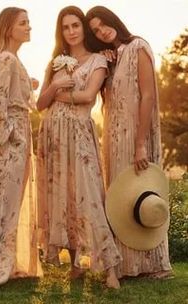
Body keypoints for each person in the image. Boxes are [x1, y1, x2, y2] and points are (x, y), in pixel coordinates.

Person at [36, 6, 122, 289]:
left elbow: (87, 97)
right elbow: (39, 105)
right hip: (53, 135)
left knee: (90, 196)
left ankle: (110, 267)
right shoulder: (55, 62)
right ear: (60, 32)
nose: (71, 31)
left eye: (75, 25)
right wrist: (54, 87)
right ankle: (75, 264)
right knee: (63, 197)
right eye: (65, 27)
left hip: (80, 134)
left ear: (83, 28)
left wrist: (58, 92)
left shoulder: (99, 60)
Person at [86, 6, 172, 279]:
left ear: (113, 20)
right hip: (113, 139)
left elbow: (148, 96)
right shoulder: (111, 58)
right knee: (121, 200)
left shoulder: (138, 46)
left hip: (137, 136)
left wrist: (140, 144)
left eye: (103, 25)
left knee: (141, 194)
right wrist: (103, 60)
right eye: (96, 31)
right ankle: (126, 265)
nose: (102, 31)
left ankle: (154, 265)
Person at [0, 7, 42, 293]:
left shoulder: (14, 60)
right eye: (23, 23)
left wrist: (28, 84)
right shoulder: (6, 58)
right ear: (8, 28)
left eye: (29, 22)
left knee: (12, 205)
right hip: (10, 142)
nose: (29, 27)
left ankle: (6, 265)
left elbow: (13, 93)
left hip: (21, 139)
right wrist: (9, 133)